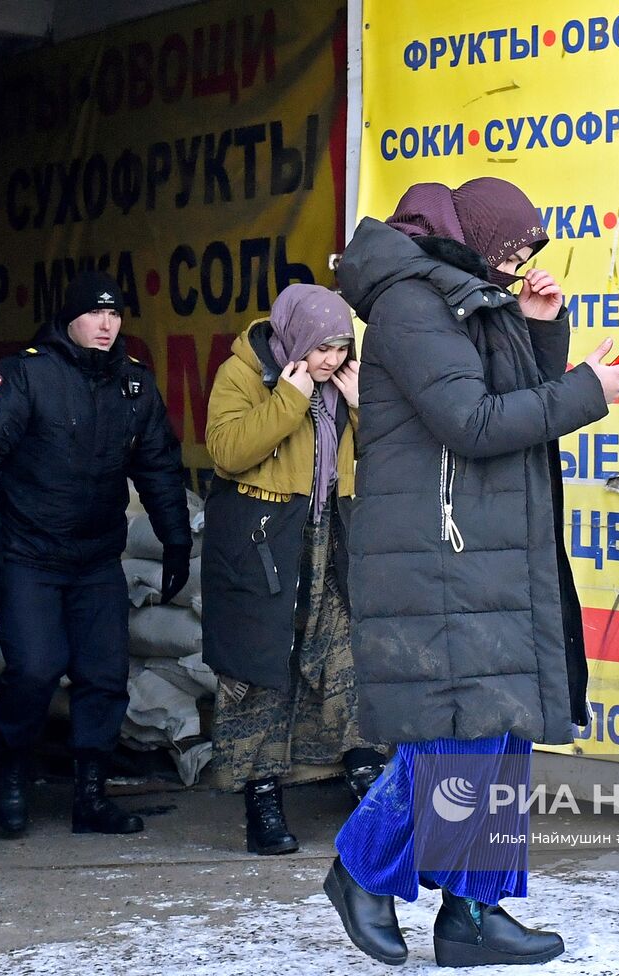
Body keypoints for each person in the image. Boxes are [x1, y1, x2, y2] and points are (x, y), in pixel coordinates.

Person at [323, 178, 619, 967]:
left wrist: (539, 329)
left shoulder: (461, 294)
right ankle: (361, 868)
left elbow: (509, 395)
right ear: (474, 236)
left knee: (501, 732)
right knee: (454, 738)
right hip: (438, 553)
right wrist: (587, 394)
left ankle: (474, 916)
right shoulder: (409, 302)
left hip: (484, 542)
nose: (520, 264)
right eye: (512, 250)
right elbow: (471, 422)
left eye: (530, 252)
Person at [0, 271, 191, 837]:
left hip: (96, 559)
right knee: (34, 669)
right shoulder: (25, 376)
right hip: (29, 556)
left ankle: (91, 795)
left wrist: (175, 537)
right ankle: (11, 773)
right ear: (69, 318)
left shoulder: (134, 386)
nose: (106, 325)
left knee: (104, 676)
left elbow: (157, 466)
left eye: (115, 314)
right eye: (94, 314)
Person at [202, 284, 385, 856]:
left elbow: (385, 457)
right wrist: (286, 398)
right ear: (294, 337)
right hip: (264, 542)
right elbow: (226, 451)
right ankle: (262, 797)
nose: (330, 360)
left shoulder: (343, 385)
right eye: (322, 347)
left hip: (332, 535)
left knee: (345, 656)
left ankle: (366, 781)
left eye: (340, 348)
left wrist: (361, 408)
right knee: (263, 665)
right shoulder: (243, 373)